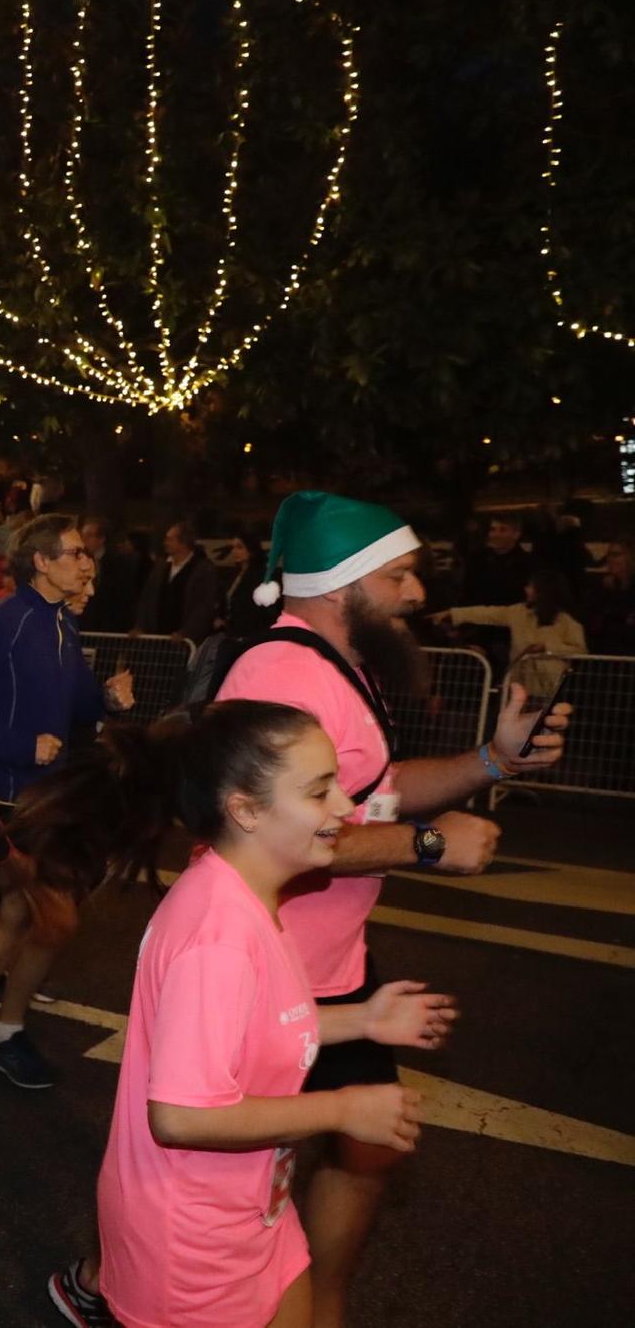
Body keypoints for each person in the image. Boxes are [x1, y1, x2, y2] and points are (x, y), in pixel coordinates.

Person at [213, 489, 570, 1328]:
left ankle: (322, 1303)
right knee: (233, 1175)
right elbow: (285, 835)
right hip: (266, 970)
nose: (417, 593)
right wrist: (430, 847)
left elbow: (372, 793)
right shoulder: (279, 673)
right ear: (342, 586)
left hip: (333, 963)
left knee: (366, 1145)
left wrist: (492, 759)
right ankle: (119, 1283)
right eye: (401, 575)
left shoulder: (338, 665)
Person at [27, 704, 447, 1328]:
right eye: (318, 791)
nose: (345, 809)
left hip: (253, 1208)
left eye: (336, 783)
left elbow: (259, 1026)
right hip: (193, 1245)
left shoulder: (243, 894)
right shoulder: (218, 935)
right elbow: (181, 1115)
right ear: (246, 810)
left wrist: (362, 1020)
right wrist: (343, 1109)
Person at [0, 515, 133, 1089]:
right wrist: (20, 743)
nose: (85, 561)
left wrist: (109, 701)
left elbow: (78, 703)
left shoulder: (62, 622)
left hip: (43, 793)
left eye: (86, 551)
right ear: (41, 562)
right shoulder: (6, 621)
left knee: (19, 910)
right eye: (73, 552)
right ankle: (5, 1031)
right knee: (56, 917)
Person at [434, 567, 587, 658]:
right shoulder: (518, 613)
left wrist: (547, 647)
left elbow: (580, 651)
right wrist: (453, 614)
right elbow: (487, 613)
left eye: (530, 586)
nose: (526, 589)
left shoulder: (566, 620)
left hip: (550, 686)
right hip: (520, 682)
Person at [134, 521, 220, 642]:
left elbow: (204, 606)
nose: (165, 543)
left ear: (183, 542)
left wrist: (187, 632)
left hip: (184, 640)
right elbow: (147, 599)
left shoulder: (203, 569)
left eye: (170, 539)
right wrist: (140, 626)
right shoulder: (160, 568)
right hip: (157, 637)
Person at [217, 522, 280, 638]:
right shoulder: (234, 574)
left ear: (251, 550)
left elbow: (265, 611)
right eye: (233, 547)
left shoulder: (261, 575)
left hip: (251, 635)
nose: (235, 551)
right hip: (232, 633)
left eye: (239, 547)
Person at [78, 516, 140, 633]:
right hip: (86, 625)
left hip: (110, 626)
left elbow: (125, 596)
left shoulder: (118, 563)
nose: (84, 539)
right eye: (83, 535)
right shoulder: (79, 561)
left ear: (101, 539)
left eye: (89, 535)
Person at [580, 540, 634, 655]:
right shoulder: (600, 589)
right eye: (608, 555)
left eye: (616, 555)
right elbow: (590, 622)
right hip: (603, 655)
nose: (610, 559)